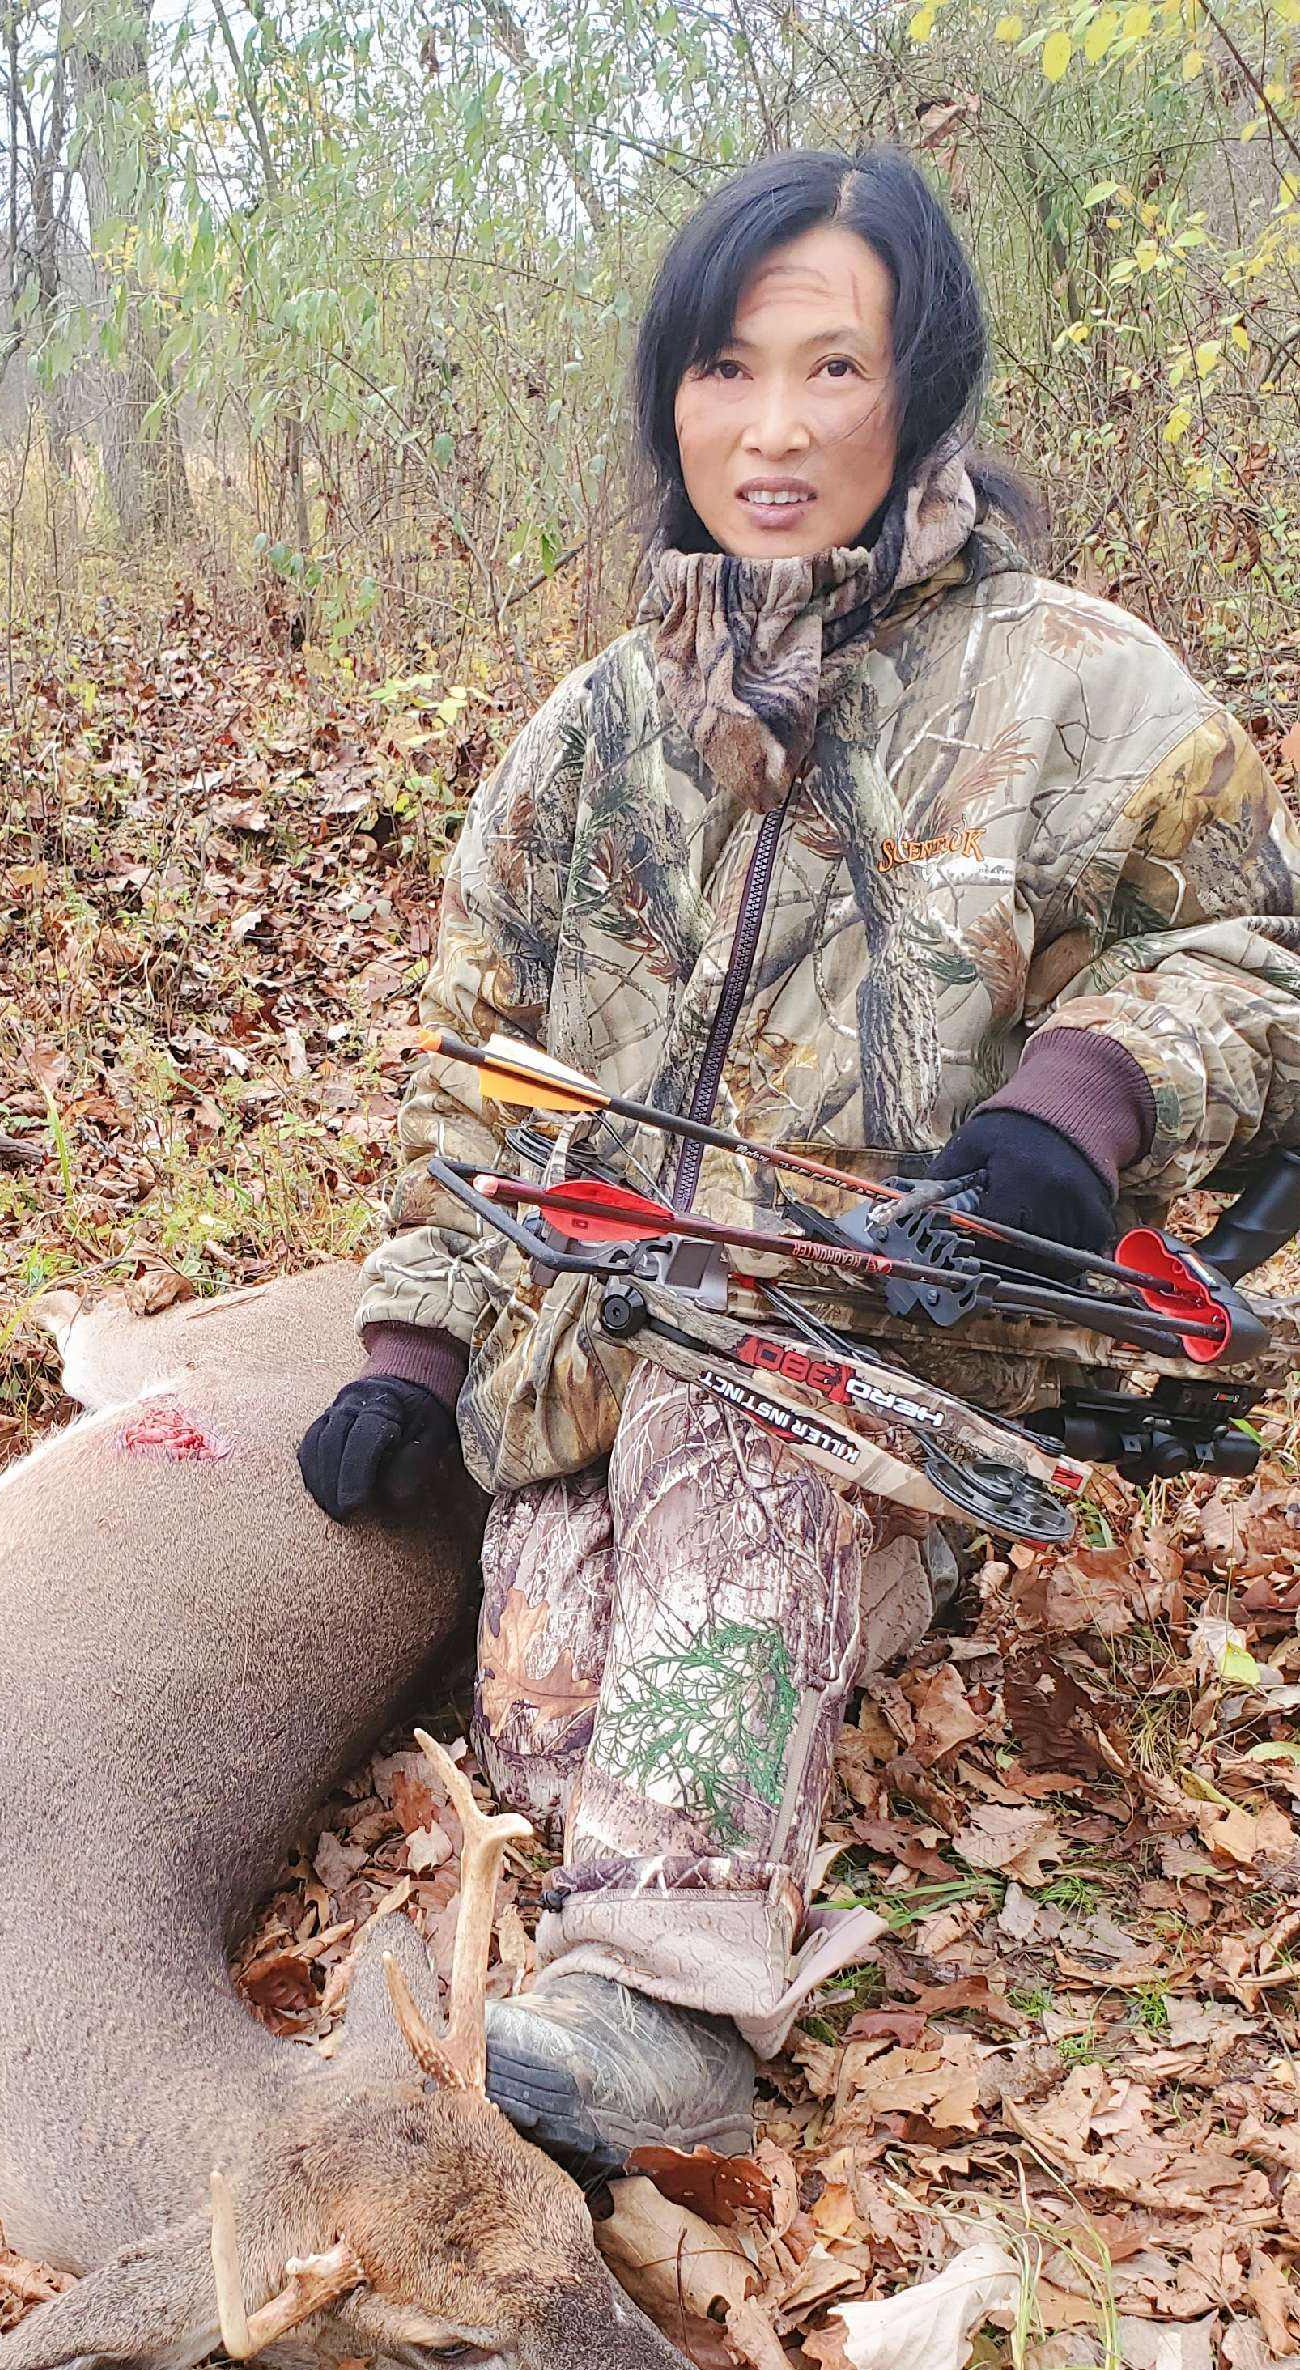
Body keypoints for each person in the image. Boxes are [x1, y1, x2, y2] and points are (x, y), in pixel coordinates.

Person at [299, 148, 1300, 2179]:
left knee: (725, 1414)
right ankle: (640, 1875)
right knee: (550, 1653)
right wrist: (414, 1355)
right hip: (605, 1346)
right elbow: (481, 1083)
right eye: (726, 369)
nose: (771, 429)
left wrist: (1079, 1102)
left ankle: (670, 2009)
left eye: (832, 368)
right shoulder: (592, 732)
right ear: (670, 395)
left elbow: (1258, 948)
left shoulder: (1078, 682)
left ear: (918, 393)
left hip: (895, 1351)